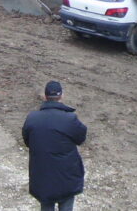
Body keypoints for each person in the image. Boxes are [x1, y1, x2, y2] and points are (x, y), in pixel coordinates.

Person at [22, 81, 87, 211]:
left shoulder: (32, 118)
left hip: (42, 176)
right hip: (67, 176)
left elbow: (28, 142)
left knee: (46, 205)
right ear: (61, 96)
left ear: (45, 96)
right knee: (66, 204)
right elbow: (81, 138)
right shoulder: (70, 119)